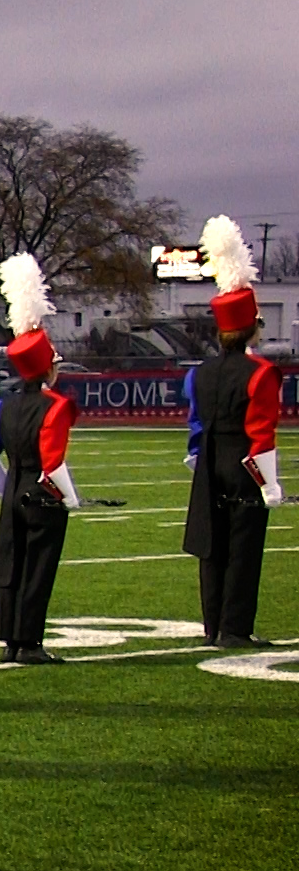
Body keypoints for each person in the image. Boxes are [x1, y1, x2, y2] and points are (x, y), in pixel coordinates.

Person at [183, 216, 284, 647]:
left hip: (209, 458)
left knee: (212, 546)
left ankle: (211, 626)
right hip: (244, 461)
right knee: (243, 547)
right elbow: (262, 433)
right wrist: (270, 483)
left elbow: (195, 420)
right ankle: (235, 627)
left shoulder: (201, 372)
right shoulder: (261, 372)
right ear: (252, 326)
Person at [0, 254, 80, 665]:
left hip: (14, 488)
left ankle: (8, 641)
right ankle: (30, 642)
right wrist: (68, 498)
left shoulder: (4, 406)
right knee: (38, 567)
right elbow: (53, 462)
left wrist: (9, 489)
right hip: (41, 492)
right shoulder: (56, 406)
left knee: (9, 564)